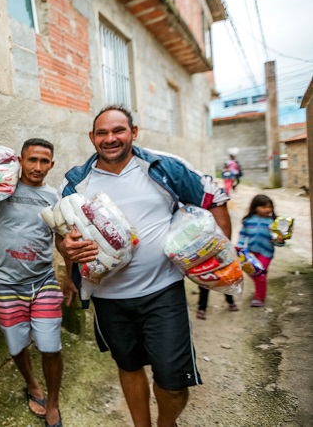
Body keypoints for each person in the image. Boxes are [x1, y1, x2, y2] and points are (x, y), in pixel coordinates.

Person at [57, 106, 231, 427]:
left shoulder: (163, 167)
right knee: (129, 366)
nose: (110, 139)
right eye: (102, 133)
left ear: (133, 133)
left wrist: (217, 256)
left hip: (163, 293)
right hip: (108, 299)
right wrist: (66, 248)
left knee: (173, 381)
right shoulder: (76, 184)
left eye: (118, 131)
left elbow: (213, 197)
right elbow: (64, 238)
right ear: (92, 138)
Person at [0, 138, 64, 427]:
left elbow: (62, 242)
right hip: (6, 285)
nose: (38, 167)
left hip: (43, 282)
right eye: (32, 160)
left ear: (51, 165)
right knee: (17, 345)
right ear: (20, 161)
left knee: (50, 346)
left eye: (45, 162)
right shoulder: (2, 191)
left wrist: (73, 278)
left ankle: (53, 401)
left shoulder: (54, 198)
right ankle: (32, 383)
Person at [237, 194, 285, 307]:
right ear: (255, 208)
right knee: (252, 272)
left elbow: (280, 242)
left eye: (269, 207)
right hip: (251, 252)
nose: (267, 209)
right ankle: (260, 287)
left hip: (266, 253)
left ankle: (259, 298)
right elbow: (243, 234)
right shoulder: (248, 221)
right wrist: (239, 247)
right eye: (263, 207)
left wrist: (280, 240)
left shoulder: (275, 223)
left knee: (261, 275)